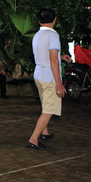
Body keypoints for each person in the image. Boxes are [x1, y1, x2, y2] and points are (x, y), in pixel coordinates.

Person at [27, 9, 71, 151]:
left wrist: (61, 56)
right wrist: (59, 83)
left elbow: (47, 55)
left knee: (45, 105)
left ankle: (44, 133)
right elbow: (53, 60)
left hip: (39, 75)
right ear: (54, 20)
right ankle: (34, 139)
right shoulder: (53, 35)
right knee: (49, 109)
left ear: (39, 21)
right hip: (49, 77)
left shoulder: (37, 35)